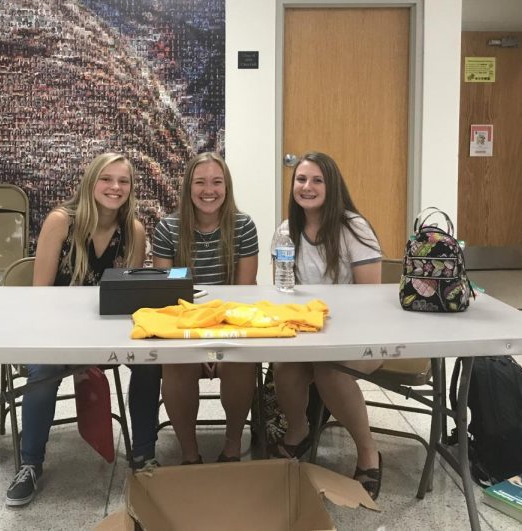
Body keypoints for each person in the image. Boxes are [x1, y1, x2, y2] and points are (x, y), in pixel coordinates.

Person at [6, 152, 161, 506]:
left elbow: (128, 295)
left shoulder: (133, 231)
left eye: (123, 181)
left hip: (107, 332)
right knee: (43, 370)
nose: (115, 187)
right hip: (57, 332)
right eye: (107, 179)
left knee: (150, 361)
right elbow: (40, 296)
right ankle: (30, 464)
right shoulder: (61, 222)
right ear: (91, 182)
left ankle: (144, 455)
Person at [271, 151, 384, 499]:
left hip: (360, 334)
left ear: (331, 185)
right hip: (308, 333)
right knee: (283, 364)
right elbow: (281, 290)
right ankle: (298, 431)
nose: (307, 187)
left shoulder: (353, 227)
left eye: (317, 180)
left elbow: (371, 297)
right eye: (301, 180)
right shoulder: (286, 231)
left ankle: (368, 453)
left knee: (329, 371)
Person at [152, 152, 259, 464]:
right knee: (176, 365)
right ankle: (189, 453)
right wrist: (200, 347)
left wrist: (217, 347)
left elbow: (242, 294)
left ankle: (232, 445)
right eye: (200, 182)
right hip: (185, 328)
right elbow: (168, 300)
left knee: (241, 362)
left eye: (216, 182)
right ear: (188, 187)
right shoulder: (168, 228)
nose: (208, 190)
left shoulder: (243, 226)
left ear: (226, 188)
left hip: (228, 326)